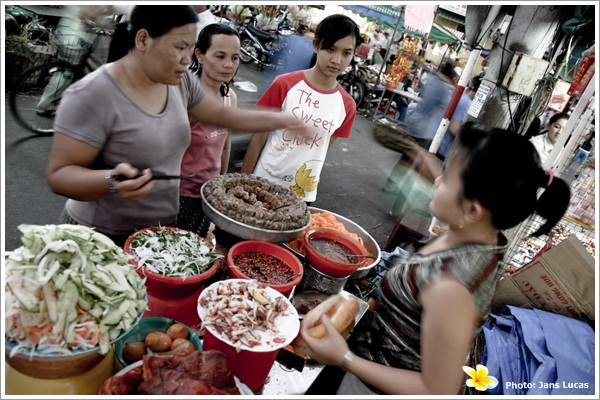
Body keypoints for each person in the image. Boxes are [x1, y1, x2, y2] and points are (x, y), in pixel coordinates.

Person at [298, 122, 571, 395]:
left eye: (447, 178)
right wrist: (414, 150)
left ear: (472, 210)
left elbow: (438, 388)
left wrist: (345, 359)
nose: (437, 180)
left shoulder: (452, 287)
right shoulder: (478, 235)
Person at [47, 5, 309, 247]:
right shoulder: (92, 94)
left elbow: (223, 115)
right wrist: (111, 180)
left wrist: (282, 119)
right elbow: (60, 176)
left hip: (155, 233)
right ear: (143, 40)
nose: (186, 60)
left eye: (190, 48)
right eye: (179, 48)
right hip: (98, 235)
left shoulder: (179, 82)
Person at [241, 14, 363, 203]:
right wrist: (243, 185)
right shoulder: (285, 84)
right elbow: (257, 141)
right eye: (330, 49)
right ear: (316, 45)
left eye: (346, 53)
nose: (337, 60)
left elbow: (320, 152)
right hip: (262, 184)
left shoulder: (347, 105)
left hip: (301, 196)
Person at [176, 24, 240, 237]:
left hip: (209, 195)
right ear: (200, 55)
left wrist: (221, 186)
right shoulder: (187, 97)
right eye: (220, 56)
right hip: (179, 195)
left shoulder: (230, 97)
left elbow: (225, 146)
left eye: (235, 58)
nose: (228, 65)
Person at [436, 78, 482, 161]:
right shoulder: (466, 102)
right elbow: (454, 128)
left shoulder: (463, 98)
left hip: (440, 144)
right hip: (442, 148)